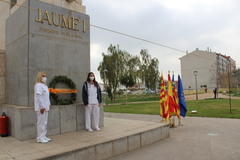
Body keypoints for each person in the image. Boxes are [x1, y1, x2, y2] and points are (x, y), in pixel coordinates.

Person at [34, 72, 51, 143]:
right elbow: (38, 97)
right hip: (41, 108)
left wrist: (48, 105)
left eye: (45, 76)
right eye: (43, 76)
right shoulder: (38, 85)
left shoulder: (45, 86)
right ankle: (39, 138)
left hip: (46, 107)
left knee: (45, 122)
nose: (45, 78)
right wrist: (42, 107)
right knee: (41, 122)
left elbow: (46, 97)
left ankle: (43, 136)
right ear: (40, 77)